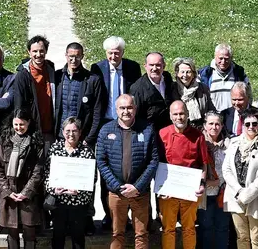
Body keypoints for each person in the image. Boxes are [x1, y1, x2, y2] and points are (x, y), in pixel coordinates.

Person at [89, 36, 142, 231]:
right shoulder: (97, 68)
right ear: (105, 54)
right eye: (110, 53)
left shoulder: (132, 68)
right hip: (106, 124)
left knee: (128, 168)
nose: (113, 56)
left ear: (123, 53)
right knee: (107, 171)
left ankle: (127, 215)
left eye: (117, 53)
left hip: (127, 123)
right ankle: (109, 215)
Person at [95, 94, 158, 249]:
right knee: (117, 234)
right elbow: (101, 162)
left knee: (142, 235)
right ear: (116, 110)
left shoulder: (148, 129)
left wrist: (138, 186)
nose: (126, 111)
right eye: (122, 108)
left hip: (140, 193)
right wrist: (118, 187)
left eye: (129, 107)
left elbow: (153, 160)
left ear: (135, 109)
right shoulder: (105, 130)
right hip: (116, 193)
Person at [157, 101, 210, 249]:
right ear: (170, 116)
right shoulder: (162, 134)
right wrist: (160, 188)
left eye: (182, 113)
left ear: (187, 114)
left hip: (189, 189)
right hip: (168, 190)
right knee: (168, 229)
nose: (179, 117)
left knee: (189, 228)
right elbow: (157, 163)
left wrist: (202, 185)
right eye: (175, 114)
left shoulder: (198, 135)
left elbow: (203, 163)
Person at [222, 111, 258, 249]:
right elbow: (226, 170)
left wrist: (247, 195)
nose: (251, 127)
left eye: (254, 124)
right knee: (242, 237)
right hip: (235, 196)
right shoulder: (234, 143)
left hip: (257, 198)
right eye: (247, 124)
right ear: (243, 125)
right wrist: (239, 191)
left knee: (257, 238)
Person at [0, 110, 45, 249]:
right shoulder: (4, 140)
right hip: (10, 192)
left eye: (22, 124)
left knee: (30, 230)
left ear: (29, 122)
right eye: (16, 124)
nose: (18, 128)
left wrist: (26, 192)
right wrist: (7, 191)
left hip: (28, 194)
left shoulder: (36, 142)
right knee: (12, 230)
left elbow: (38, 171)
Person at [46, 117, 97, 249]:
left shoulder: (87, 152)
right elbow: (47, 174)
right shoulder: (55, 149)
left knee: (78, 239)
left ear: (80, 133)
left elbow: (93, 179)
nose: (71, 134)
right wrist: (53, 190)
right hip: (59, 202)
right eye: (68, 130)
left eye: (74, 131)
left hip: (78, 204)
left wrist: (80, 190)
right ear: (62, 132)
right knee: (58, 237)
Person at [53, 42, 104, 146]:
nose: (73, 60)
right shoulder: (57, 76)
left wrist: (89, 138)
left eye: (77, 56)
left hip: (82, 137)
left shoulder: (92, 80)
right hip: (60, 136)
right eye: (71, 56)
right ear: (66, 55)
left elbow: (97, 112)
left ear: (82, 56)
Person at [12, 35, 57, 145]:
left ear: (46, 51)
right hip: (32, 130)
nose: (38, 55)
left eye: (41, 51)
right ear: (29, 52)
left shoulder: (51, 69)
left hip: (50, 128)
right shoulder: (22, 75)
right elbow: (19, 104)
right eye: (35, 51)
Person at [196, 112, 231, 249]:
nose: (214, 127)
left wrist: (222, 181)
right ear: (205, 126)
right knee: (206, 227)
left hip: (224, 192)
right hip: (206, 194)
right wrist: (206, 182)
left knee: (222, 227)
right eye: (210, 123)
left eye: (217, 124)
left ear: (222, 126)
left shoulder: (229, 144)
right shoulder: (199, 143)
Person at [198, 43, 252, 112]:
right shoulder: (206, 74)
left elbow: (249, 94)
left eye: (226, 59)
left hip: (233, 116)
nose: (223, 62)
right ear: (215, 57)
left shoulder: (238, 73)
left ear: (231, 58)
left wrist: (246, 111)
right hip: (213, 117)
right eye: (220, 58)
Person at [130, 52, 176, 131]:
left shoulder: (167, 78)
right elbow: (136, 116)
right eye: (151, 65)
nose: (154, 68)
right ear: (145, 66)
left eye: (158, 65)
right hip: (151, 132)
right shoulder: (138, 89)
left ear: (164, 66)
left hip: (170, 129)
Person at [172, 57, 215, 129]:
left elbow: (210, 111)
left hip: (200, 130)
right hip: (179, 130)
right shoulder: (172, 89)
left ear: (193, 74)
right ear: (177, 73)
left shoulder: (203, 88)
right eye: (182, 72)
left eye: (188, 72)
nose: (185, 75)